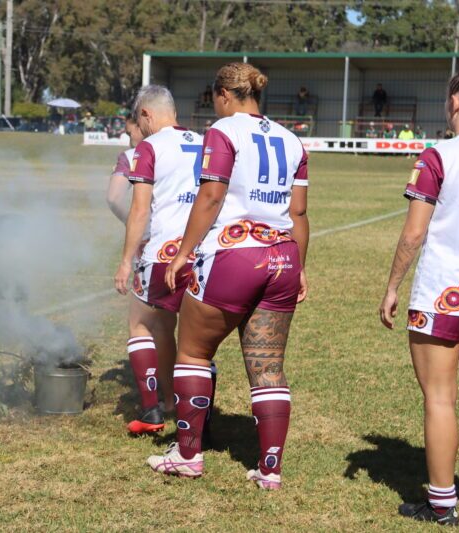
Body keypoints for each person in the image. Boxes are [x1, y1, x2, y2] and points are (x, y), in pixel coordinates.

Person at [148, 62, 309, 486]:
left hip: (235, 254)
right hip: (283, 257)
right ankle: (269, 470)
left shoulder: (223, 131)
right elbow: (299, 213)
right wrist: (301, 267)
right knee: (269, 365)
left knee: (194, 352)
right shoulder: (292, 140)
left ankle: (187, 455)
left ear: (223, 95)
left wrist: (183, 252)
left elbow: (213, 194)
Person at [379, 68, 459, 526]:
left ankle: (441, 504)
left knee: (439, 399)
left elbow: (414, 233)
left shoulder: (439, 155)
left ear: (457, 102)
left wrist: (393, 286)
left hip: (443, 297)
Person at [112, 85, 204, 434]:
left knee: (141, 324)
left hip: (164, 254)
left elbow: (138, 210)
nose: (138, 128)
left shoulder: (149, 147)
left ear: (147, 115)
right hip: (203, 255)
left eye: (138, 120)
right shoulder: (205, 141)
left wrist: (125, 262)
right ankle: (180, 406)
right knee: (187, 337)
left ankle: (151, 413)